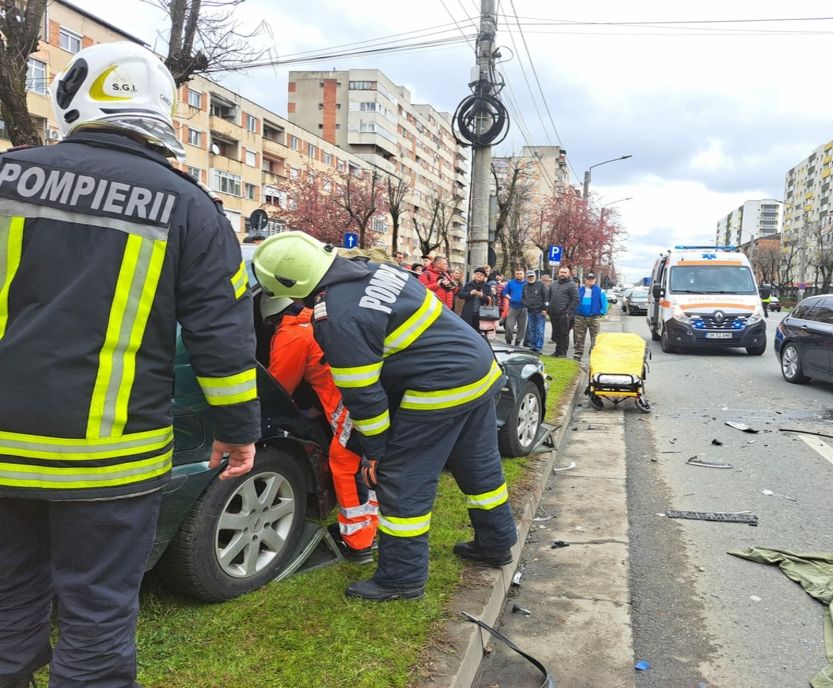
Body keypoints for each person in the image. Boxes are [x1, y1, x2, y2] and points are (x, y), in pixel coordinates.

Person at [0, 42, 260, 687]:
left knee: (6, 599)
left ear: (74, 99)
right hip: (112, 459)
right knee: (96, 616)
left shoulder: (7, 178)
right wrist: (239, 428)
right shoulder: (193, 208)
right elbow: (221, 341)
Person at [252, 232, 517, 602]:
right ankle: (496, 544)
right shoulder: (372, 271)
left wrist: (376, 452)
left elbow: (364, 396)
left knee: (402, 481)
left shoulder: (337, 317)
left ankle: (401, 579)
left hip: (440, 387)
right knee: (480, 467)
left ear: (290, 286)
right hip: (479, 370)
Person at [261, 296, 377, 562]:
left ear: (271, 319)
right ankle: (371, 527)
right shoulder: (322, 319)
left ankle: (358, 543)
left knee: (345, 466)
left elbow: (278, 387)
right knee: (369, 464)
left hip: (351, 409)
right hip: (372, 399)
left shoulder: (290, 335)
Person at [573, 273, 608, 361]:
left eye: (592, 279)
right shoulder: (579, 290)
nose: (590, 280)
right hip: (580, 317)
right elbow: (574, 301)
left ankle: (593, 354)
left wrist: (601, 313)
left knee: (595, 338)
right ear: (585, 280)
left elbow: (604, 303)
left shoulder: (600, 291)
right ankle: (577, 355)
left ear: (595, 280)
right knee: (579, 337)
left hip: (594, 317)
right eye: (589, 279)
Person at [548, 266, 580, 357]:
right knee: (556, 333)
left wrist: (568, 311)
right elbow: (549, 296)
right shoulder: (554, 284)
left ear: (569, 274)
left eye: (565, 272)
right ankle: (557, 351)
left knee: (564, 333)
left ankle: (563, 352)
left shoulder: (571, 285)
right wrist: (548, 308)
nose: (562, 274)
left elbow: (576, 299)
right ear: (559, 273)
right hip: (553, 312)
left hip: (564, 313)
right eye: (561, 272)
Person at [459, 267, 497, 338]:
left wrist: (482, 295)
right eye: (477, 274)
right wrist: (470, 293)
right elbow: (460, 295)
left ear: (484, 277)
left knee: (480, 334)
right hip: (468, 312)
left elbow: (492, 299)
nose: (479, 276)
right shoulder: (468, 285)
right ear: (474, 275)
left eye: (481, 275)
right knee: (467, 332)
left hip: (482, 314)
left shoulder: (487, 286)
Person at [522, 271, 549, 353]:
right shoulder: (525, 286)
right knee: (531, 329)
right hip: (530, 311)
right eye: (529, 276)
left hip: (540, 311)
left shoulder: (541, 285)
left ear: (535, 276)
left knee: (539, 329)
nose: (530, 278)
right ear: (527, 277)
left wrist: (545, 309)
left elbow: (546, 297)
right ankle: (533, 346)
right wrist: (526, 304)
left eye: (532, 276)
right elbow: (523, 297)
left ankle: (538, 346)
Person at [502, 269, 528, 346]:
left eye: (520, 273)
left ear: (524, 274)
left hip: (524, 308)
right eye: (517, 274)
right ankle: (508, 341)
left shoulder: (527, 283)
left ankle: (518, 343)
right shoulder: (511, 283)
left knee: (522, 327)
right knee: (509, 326)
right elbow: (504, 292)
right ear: (515, 274)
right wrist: (509, 297)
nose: (518, 275)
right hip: (512, 307)